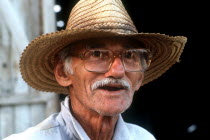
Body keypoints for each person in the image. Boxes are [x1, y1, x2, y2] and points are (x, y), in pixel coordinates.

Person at [3, 0, 187, 140]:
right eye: (97, 54)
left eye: (130, 56)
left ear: (139, 79)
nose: (117, 71)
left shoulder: (143, 138)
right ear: (63, 72)